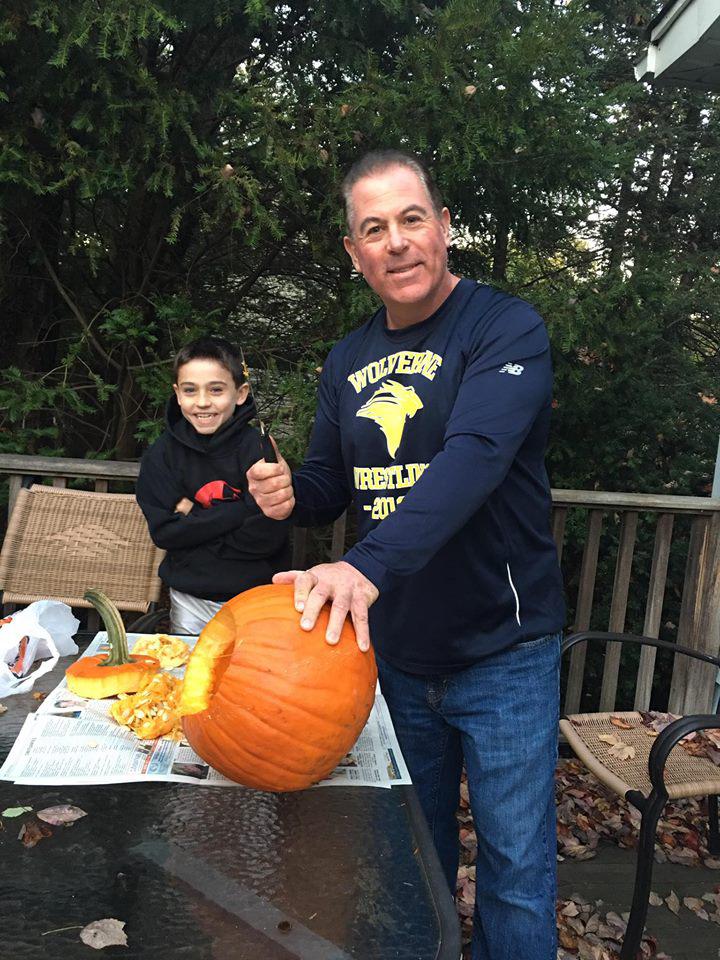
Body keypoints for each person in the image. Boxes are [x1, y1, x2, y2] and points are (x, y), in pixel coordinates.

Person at [247, 150, 565, 960]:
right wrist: (293, 493)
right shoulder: (346, 360)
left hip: (505, 652)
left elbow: (477, 456)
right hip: (392, 658)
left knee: (516, 870)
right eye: (373, 228)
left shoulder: (503, 327)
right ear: (354, 253)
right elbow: (332, 480)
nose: (396, 242)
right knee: (407, 858)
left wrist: (366, 566)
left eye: (411, 219)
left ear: (445, 227)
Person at [136, 336, 290, 634]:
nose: (203, 402)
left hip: (255, 598)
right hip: (189, 600)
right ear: (177, 394)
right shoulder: (161, 455)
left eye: (216, 390)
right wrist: (243, 509)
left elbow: (265, 537)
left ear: (241, 393)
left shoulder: (258, 451)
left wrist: (193, 517)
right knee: (195, 676)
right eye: (190, 390)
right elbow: (166, 532)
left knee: (251, 676)